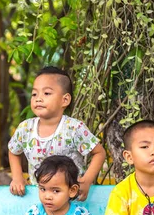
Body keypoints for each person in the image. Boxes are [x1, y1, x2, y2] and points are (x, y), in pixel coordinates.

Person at [8, 66, 106, 201]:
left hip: (72, 201)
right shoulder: (25, 128)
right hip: (40, 200)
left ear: (65, 100)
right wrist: (17, 177)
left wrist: (86, 181)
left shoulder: (74, 128)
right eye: (34, 94)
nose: (38, 99)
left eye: (46, 93)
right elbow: (13, 151)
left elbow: (99, 153)